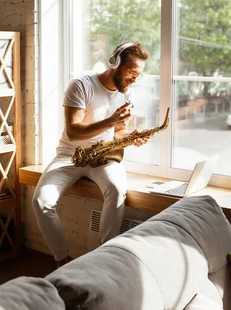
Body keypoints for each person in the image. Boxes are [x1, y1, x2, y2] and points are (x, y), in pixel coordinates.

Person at [32, 41, 151, 267]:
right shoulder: (81, 85)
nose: (135, 78)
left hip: (103, 158)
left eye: (139, 74)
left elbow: (117, 132)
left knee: (116, 190)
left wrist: (130, 136)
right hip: (69, 155)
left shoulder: (126, 94)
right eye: (132, 72)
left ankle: (102, 261)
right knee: (41, 201)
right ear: (115, 63)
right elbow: (74, 131)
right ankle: (63, 261)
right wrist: (111, 121)